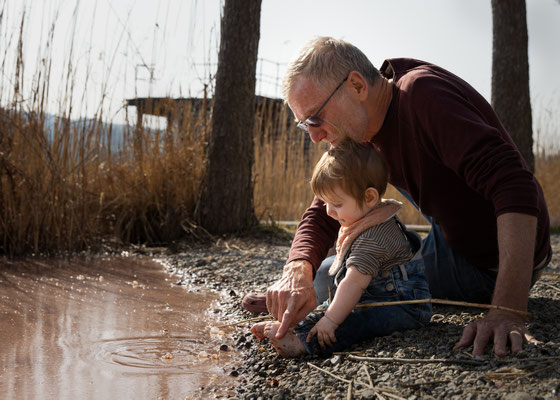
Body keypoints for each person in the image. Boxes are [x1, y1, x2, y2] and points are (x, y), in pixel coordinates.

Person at [243, 36, 552, 357]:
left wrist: (507, 309)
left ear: (357, 86)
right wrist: (296, 270)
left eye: (315, 118)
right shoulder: (362, 124)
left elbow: (514, 183)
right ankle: (298, 295)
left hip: (490, 259)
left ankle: (320, 299)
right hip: (448, 237)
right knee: (323, 271)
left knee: (336, 282)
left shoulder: (423, 96)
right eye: (304, 124)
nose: (314, 136)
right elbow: (324, 209)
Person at [251, 139, 431, 356]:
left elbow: (353, 283)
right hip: (374, 296)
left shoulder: (374, 237)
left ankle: (303, 344)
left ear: (369, 197)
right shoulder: (364, 218)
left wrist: (330, 320)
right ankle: (291, 328)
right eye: (325, 202)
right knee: (330, 306)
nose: (328, 211)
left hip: (404, 307)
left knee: (354, 321)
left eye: (336, 204)